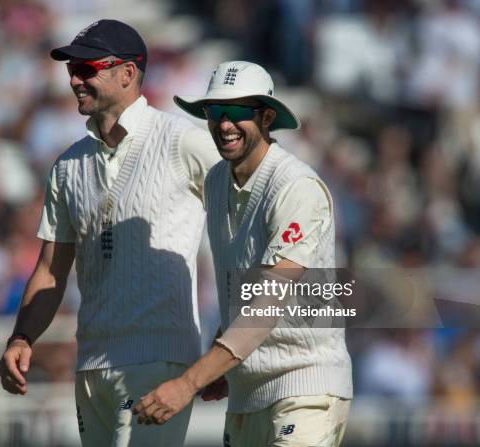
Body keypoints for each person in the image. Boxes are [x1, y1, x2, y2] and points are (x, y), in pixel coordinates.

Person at [0, 19, 219, 446]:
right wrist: (22, 337)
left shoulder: (182, 141)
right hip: (92, 363)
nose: (75, 80)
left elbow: (248, 210)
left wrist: (225, 346)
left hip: (159, 358)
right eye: (71, 70)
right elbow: (49, 271)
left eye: (87, 69)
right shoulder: (68, 165)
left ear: (128, 73)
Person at [133, 61, 353, 446]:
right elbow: (244, 294)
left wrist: (189, 382)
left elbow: (268, 301)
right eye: (216, 112)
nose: (224, 124)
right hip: (246, 391)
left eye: (237, 112)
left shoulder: (295, 186)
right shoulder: (218, 180)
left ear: (267, 117)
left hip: (306, 383)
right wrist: (221, 365)